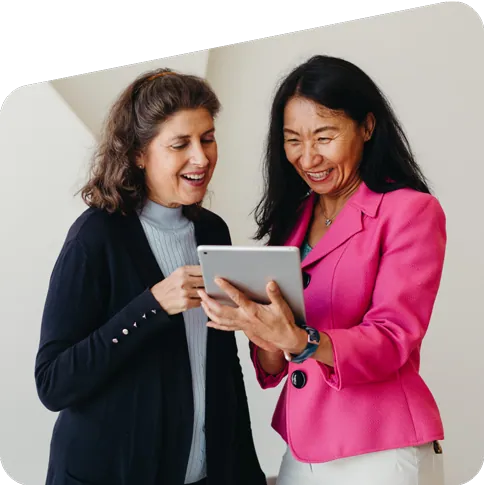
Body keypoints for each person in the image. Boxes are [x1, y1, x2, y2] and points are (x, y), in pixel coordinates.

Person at [198, 55, 446, 485]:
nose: (307, 156)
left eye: (324, 136)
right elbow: (276, 359)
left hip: (382, 448)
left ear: (367, 127)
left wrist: (299, 338)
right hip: (303, 447)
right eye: (293, 139)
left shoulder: (411, 211)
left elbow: (392, 338)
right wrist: (260, 328)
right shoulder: (294, 215)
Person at [34, 68, 266, 485]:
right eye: (180, 144)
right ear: (139, 154)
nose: (202, 157)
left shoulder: (213, 231)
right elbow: (53, 383)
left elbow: (221, 367)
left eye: (208, 138)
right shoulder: (95, 237)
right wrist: (151, 306)